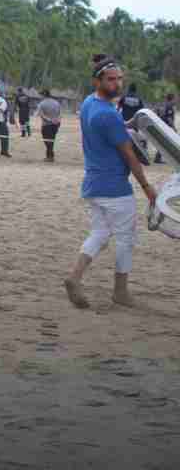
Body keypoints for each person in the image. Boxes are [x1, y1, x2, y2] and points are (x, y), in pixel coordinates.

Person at [64, 55, 157, 309]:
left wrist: (127, 123)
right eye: (111, 79)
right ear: (98, 81)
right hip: (115, 188)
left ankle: (74, 277)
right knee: (126, 238)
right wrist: (147, 187)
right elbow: (129, 155)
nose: (117, 84)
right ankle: (120, 291)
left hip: (93, 184)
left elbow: (107, 130)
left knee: (100, 233)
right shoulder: (108, 115)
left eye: (119, 79)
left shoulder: (89, 103)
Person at [35, 88, 62, 162]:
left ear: (44, 95)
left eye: (41, 95)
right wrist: (57, 120)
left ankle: (50, 156)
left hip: (47, 125)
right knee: (52, 140)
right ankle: (49, 155)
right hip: (56, 124)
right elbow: (60, 113)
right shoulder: (56, 103)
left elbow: (41, 114)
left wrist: (50, 120)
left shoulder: (42, 104)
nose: (40, 96)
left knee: (47, 140)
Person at [155, 93, 176, 164]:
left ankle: (158, 157)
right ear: (172, 99)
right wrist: (174, 128)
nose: (175, 100)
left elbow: (157, 113)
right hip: (166, 126)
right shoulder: (169, 106)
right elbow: (169, 118)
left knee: (163, 142)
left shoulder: (163, 105)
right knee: (165, 142)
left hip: (161, 125)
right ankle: (158, 158)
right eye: (174, 99)